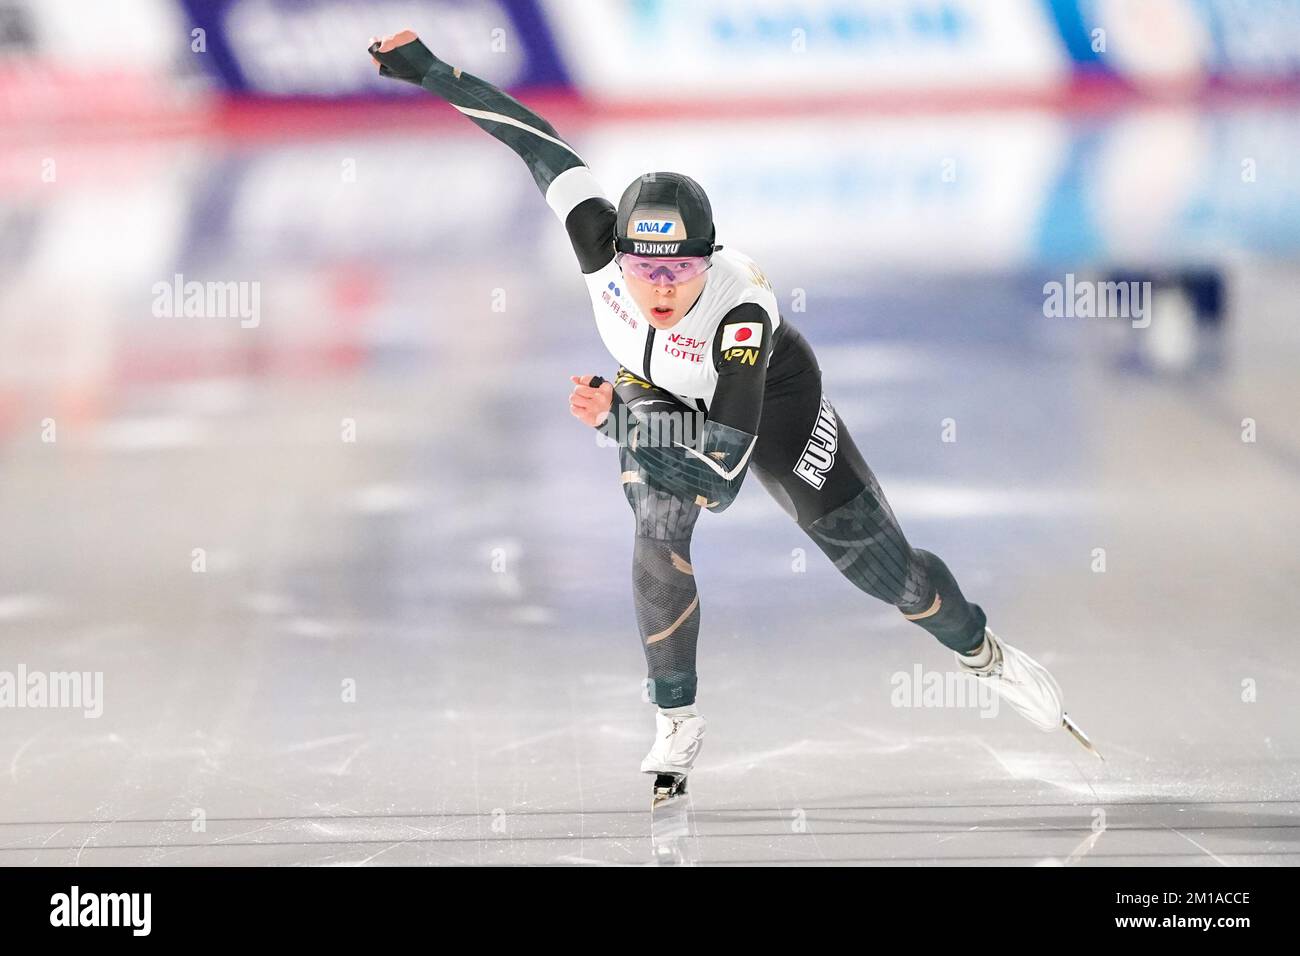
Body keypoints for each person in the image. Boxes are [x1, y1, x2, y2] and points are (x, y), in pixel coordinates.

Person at [368, 30, 1097, 803]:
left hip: (770, 408)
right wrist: (427, 69)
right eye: (644, 267)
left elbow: (721, 478)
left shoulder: (738, 315)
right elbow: (530, 136)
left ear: (707, 260)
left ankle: (982, 650)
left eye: (679, 269)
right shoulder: (594, 237)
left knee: (890, 577)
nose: (659, 286)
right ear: (615, 250)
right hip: (653, 389)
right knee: (655, 525)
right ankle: (676, 719)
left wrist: (619, 424)